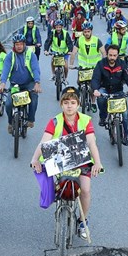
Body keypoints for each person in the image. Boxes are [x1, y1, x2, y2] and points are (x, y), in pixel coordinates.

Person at [30, 87, 103, 240]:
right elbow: (44, 141)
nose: (69, 106)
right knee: (59, 187)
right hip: (60, 161)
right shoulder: (55, 121)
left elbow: (91, 143)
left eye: (73, 102)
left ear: (78, 104)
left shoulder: (86, 120)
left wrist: (97, 162)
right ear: (61, 104)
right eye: (66, 102)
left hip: (81, 160)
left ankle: (83, 222)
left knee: (85, 190)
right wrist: (35, 159)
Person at [91, 44, 128, 145]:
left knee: (125, 115)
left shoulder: (122, 64)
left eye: (114, 55)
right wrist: (95, 90)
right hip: (104, 89)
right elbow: (95, 78)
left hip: (118, 91)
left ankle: (125, 136)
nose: (112, 58)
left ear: (117, 55)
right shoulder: (100, 64)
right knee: (101, 99)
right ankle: (103, 116)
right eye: (110, 55)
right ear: (107, 54)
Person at [0, 33, 42, 133]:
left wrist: (37, 82)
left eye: (21, 44)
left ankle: (31, 119)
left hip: (29, 83)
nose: (19, 46)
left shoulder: (31, 54)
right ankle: (10, 122)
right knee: (8, 103)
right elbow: (5, 70)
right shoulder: (10, 56)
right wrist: (2, 83)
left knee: (34, 97)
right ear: (14, 45)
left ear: (24, 44)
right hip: (15, 85)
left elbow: (35, 69)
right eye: (17, 44)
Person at [69, 21, 104, 112]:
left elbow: (103, 52)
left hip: (94, 67)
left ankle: (93, 102)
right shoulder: (79, 40)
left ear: (91, 31)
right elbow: (74, 53)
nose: (86, 33)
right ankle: (82, 92)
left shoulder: (96, 40)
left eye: (88, 31)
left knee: (93, 86)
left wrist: (104, 64)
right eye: (85, 31)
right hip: (83, 66)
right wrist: (71, 64)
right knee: (78, 81)